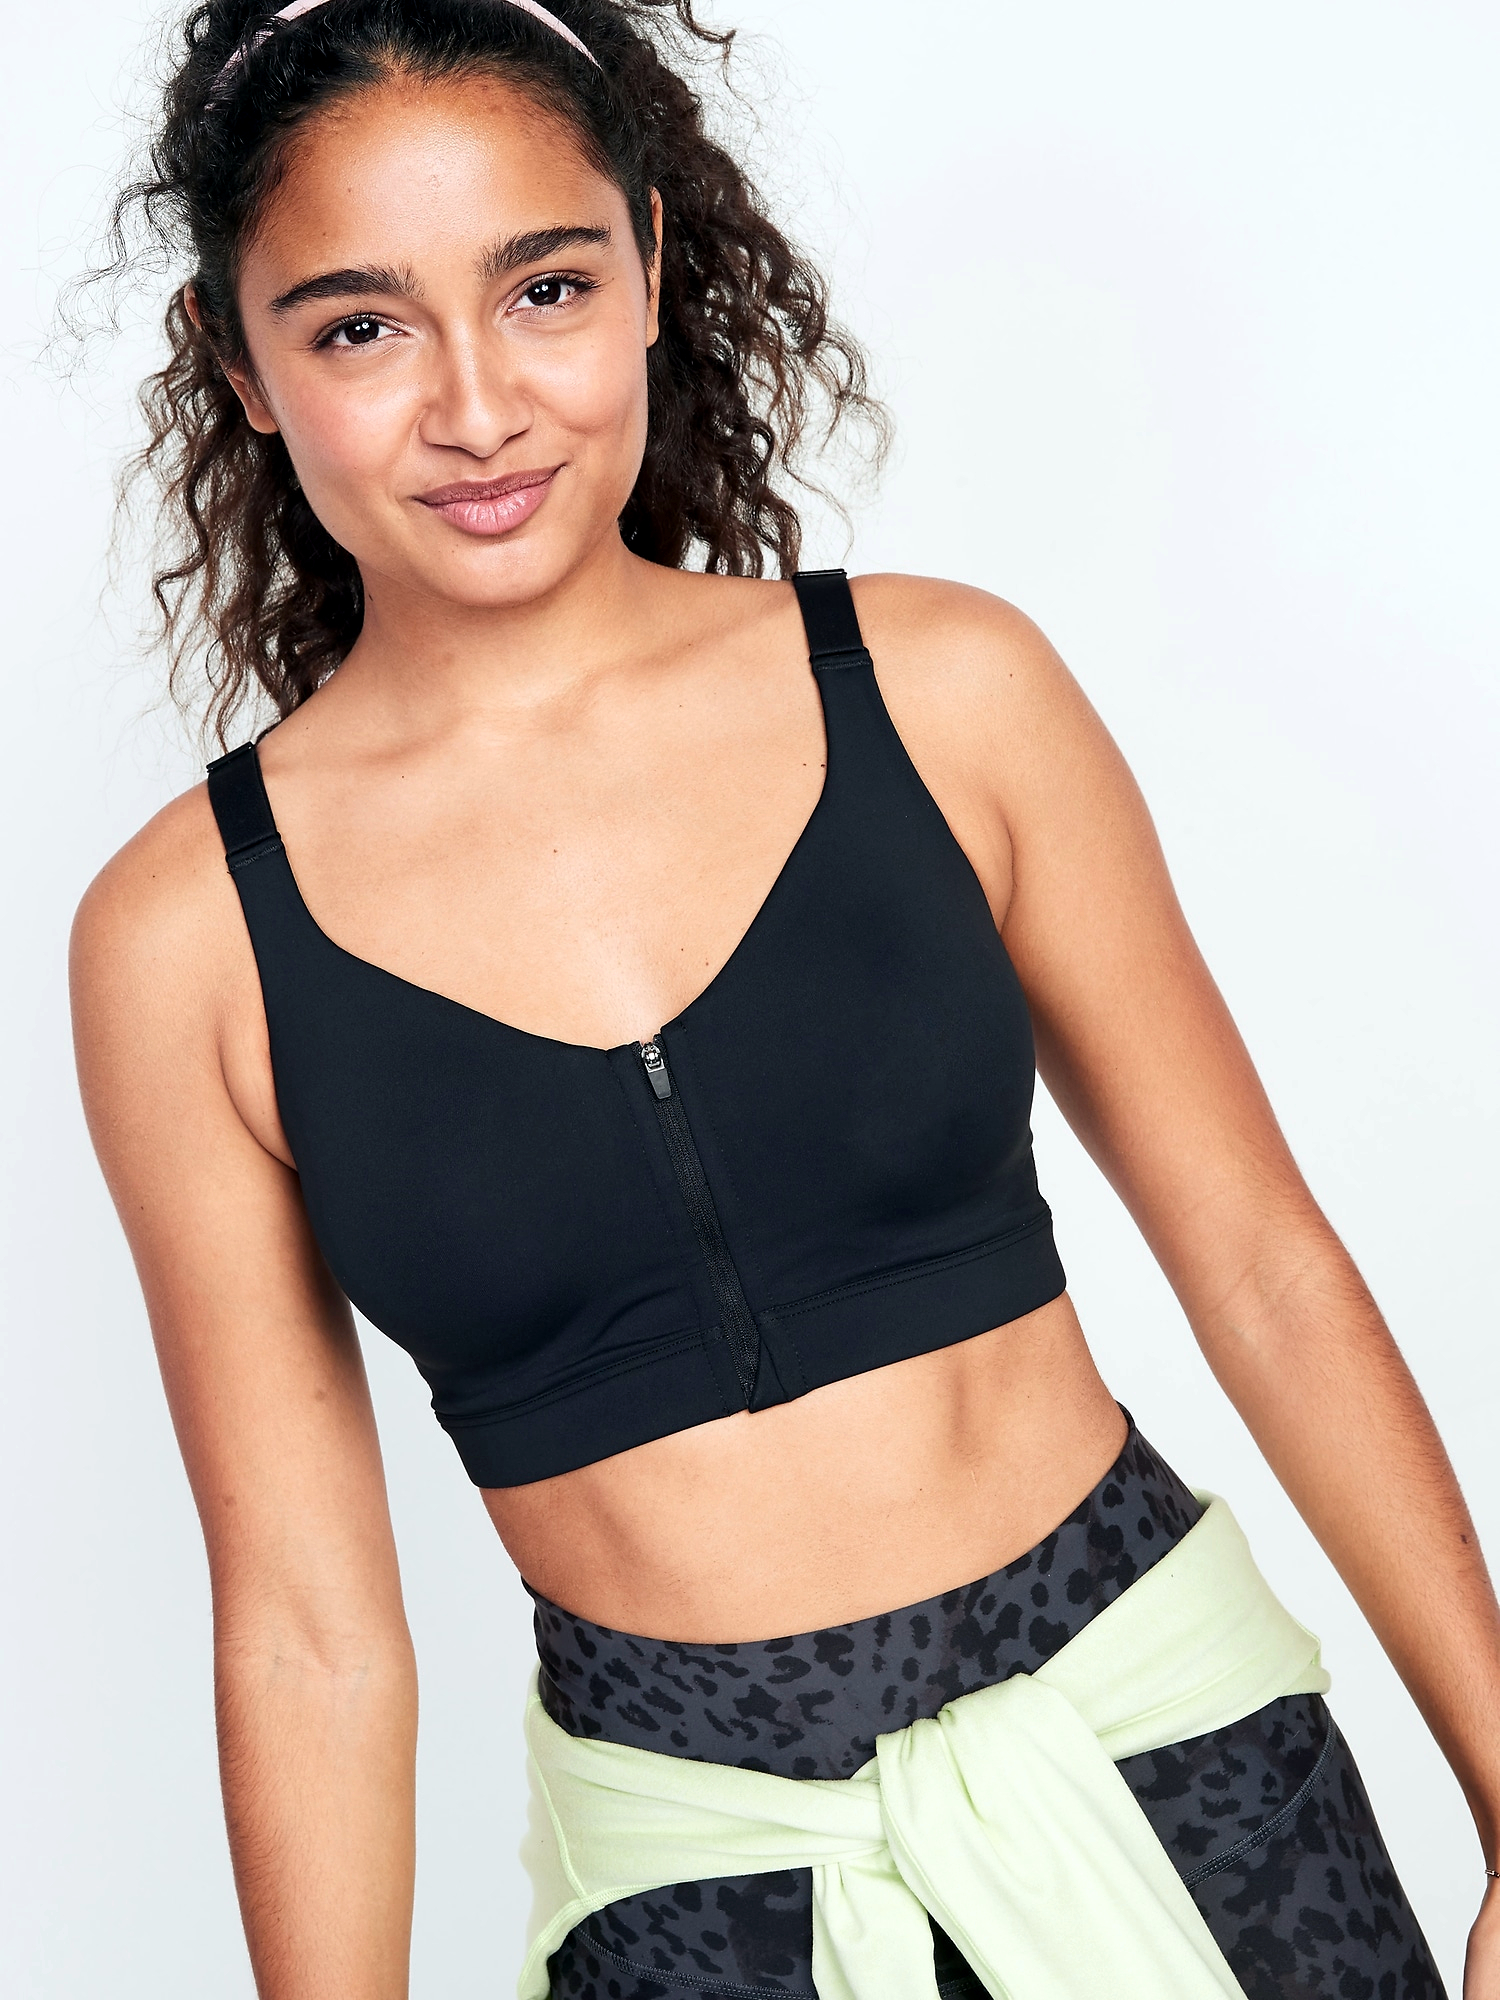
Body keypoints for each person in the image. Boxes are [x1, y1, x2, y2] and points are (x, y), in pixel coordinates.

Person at [69, 2, 1499, 1995]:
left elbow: (1261, 1266)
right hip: (694, 1897)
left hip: (1191, 1787)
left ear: (651, 266)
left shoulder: (947, 693)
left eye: (545, 289)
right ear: (240, 364)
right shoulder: (186, 939)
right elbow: (308, 1629)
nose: (477, 405)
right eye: (363, 327)